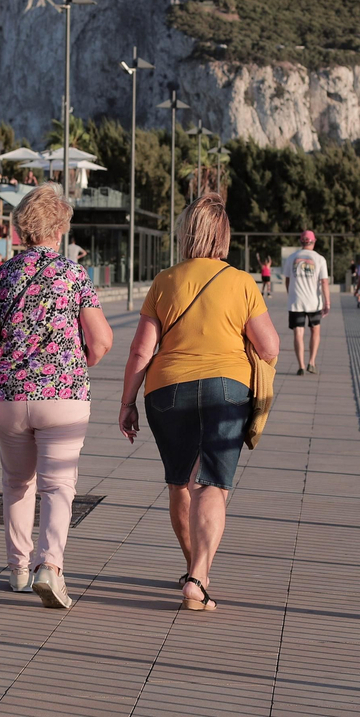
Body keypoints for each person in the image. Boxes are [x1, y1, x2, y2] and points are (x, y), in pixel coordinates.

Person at [0, 185, 113, 609]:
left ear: (22, 227)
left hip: (8, 395)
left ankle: (18, 570)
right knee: (59, 486)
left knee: (16, 482)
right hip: (63, 395)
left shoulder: (3, 275)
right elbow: (102, 340)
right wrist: (79, 362)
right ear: (59, 229)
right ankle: (50, 568)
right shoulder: (74, 275)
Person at [120, 194, 280, 613]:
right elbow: (270, 346)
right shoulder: (243, 282)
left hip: (166, 391)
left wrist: (127, 403)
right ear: (224, 237)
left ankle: (194, 567)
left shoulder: (165, 281)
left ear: (186, 234)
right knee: (212, 483)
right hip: (226, 390)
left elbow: (141, 351)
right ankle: (199, 576)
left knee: (180, 482)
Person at [282, 231, 330, 375]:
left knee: (298, 332)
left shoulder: (291, 258)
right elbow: (324, 282)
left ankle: (301, 366)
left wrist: (290, 294)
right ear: (313, 242)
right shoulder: (320, 259)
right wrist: (327, 302)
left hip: (296, 301)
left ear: (301, 242)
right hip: (314, 302)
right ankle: (312, 362)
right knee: (315, 330)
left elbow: (287, 280)